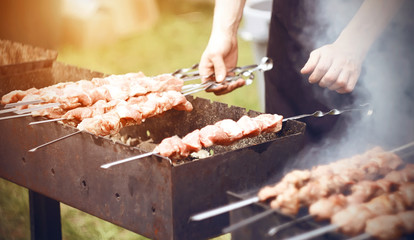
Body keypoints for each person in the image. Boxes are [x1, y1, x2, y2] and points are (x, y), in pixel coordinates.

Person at [198, 0, 409, 144]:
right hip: (290, 27)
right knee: (284, 153)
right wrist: (224, 31)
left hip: (375, 36)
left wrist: (355, 42)